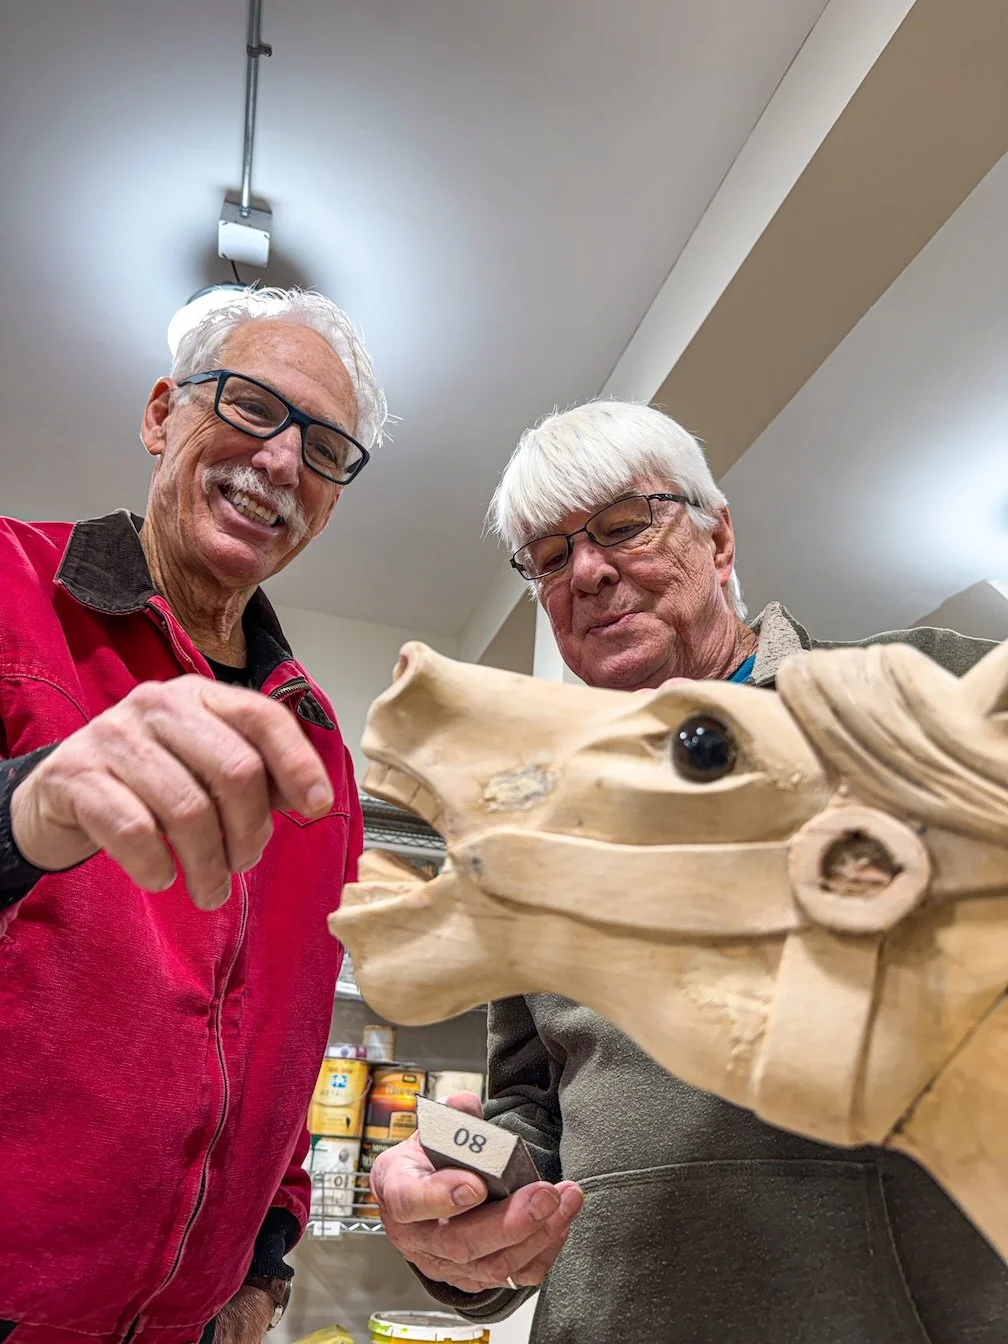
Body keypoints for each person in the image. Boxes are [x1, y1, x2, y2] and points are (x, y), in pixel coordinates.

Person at [370, 400, 1008, 1343]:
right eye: (549, 558)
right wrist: (467, 1209)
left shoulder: (926, 684)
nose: (588, 571)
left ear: (719, 540)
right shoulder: (528, 824)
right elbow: (535, 1110)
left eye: (625, 524)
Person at [0, 288, 386, 1343]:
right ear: (162, 413)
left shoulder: (318, 750)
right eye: (252, 406)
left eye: (324, 449)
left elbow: (296, 1040)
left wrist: (263, 1270)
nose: (281, 460)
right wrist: (26, 808)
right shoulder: (11, 588)